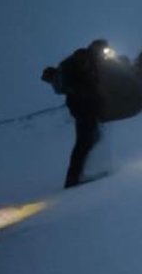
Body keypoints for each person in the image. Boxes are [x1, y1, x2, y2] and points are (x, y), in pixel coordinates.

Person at [42, 39, 107, 188]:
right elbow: (84, 85)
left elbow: (91, 85)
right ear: (97, 49)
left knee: (90, 138)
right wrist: (87, 94)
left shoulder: (90, 61)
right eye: (104, 50)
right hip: (81, 106)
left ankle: (78, 174)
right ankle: (73, 178)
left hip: (84, 105)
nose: (105, 54)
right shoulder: (84, 58)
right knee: (84, 141)